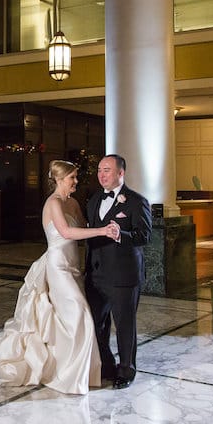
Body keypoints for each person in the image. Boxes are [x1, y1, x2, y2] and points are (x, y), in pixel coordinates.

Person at [0, 160, 117, 394]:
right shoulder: (53, 203)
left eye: (76, 177)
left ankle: (71, 370)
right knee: (79, 314)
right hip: (58, 268)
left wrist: (113, 217)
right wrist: (102, 231)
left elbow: (84, 226)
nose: (76, 181)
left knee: (67, 320)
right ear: (58, 179)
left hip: (74, 267)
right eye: (72, 177)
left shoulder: (73, 203)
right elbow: (67, 232)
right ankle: (70, 376)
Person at [84, 154, 152, 390]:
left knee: (124, 326)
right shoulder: (94, 200)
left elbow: (145, 236)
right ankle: (106, 365)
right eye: (99, 170)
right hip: (96, 275)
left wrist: (120, 235)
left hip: (123, 276)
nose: (101, 175)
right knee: (96, 324)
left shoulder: (136, 201)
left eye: (107, 170)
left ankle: (126, 370)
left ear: (120, 173)